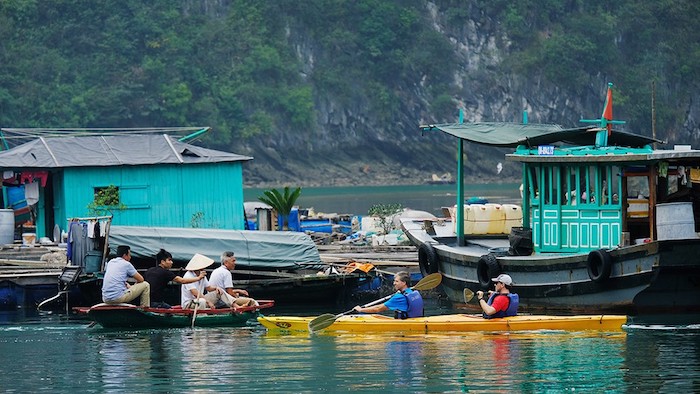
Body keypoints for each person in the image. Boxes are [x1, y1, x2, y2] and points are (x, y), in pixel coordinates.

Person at [353, 271, 423, 319]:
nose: (394, 283)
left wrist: (361, 310)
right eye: (394, 281)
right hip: (416, 319)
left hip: (406, 323)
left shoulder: (399, 297)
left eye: (396, 281)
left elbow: (377, 309)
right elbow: (382, 305)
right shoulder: (411, 292)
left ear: (404, 283)